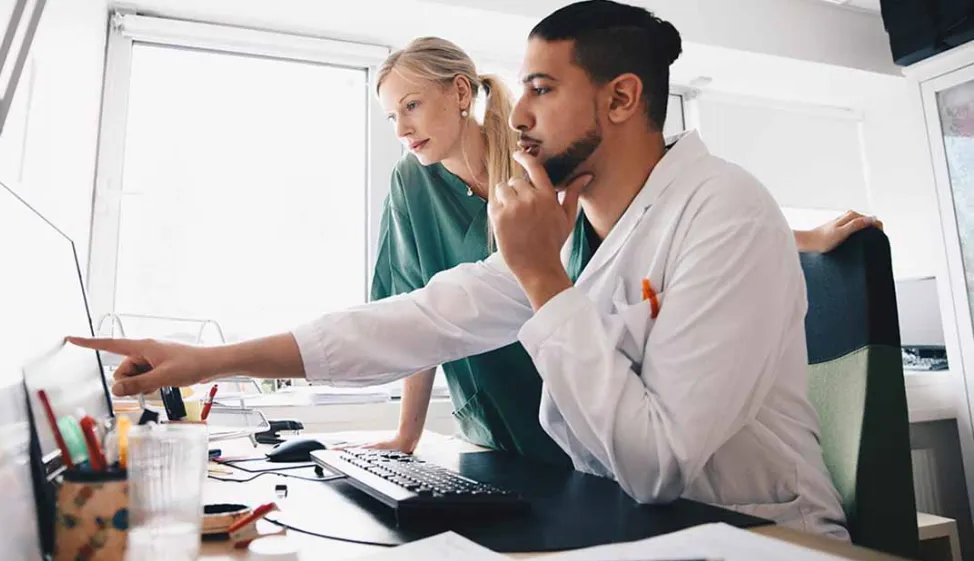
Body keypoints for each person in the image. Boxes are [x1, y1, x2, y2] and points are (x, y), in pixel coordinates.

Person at [72, 1, 856, 538]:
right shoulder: (581, 221)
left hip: (760, 538)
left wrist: (543, 278)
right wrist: (213, 360)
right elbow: (418, 319)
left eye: (543, 90)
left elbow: (656, 463)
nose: (516, 113)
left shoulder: (725, 212)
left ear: (621, 99)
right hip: (641, 527)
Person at [362, 37, 881, 459]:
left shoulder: (533, 159)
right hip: (489, 409)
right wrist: (407, 437)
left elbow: (651, 221)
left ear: (458, 93)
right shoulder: (410, 184)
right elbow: (417, 313)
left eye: (411, 106)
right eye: (391, 117)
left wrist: (805, 240)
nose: (402, 128)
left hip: (570, 376)